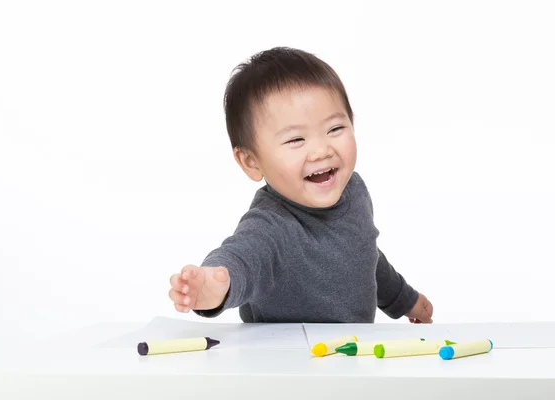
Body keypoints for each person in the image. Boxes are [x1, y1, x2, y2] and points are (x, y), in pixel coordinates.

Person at [168, 47, 433, 324]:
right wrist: (217, 284)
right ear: (251, 162)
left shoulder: (354, 190)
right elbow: (243, 258)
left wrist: (405, 300)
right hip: (286, 360)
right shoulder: (270, 226)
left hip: (351, 356)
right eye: (296, 140)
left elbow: (363, 254)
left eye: (335, 129)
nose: (321, 150)